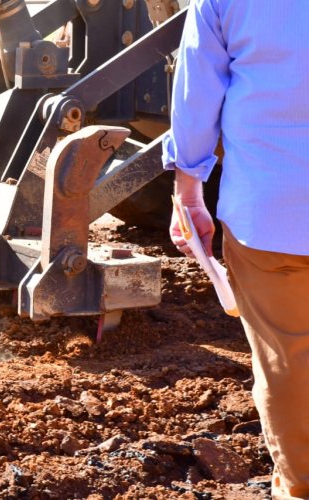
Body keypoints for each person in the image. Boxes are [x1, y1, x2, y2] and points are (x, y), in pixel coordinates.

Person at [161, 1, 309, 498]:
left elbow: (197, 92)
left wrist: (187, 191)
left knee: (288, 359)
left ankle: (300, 485)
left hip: (270, 212)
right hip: (266, 212)